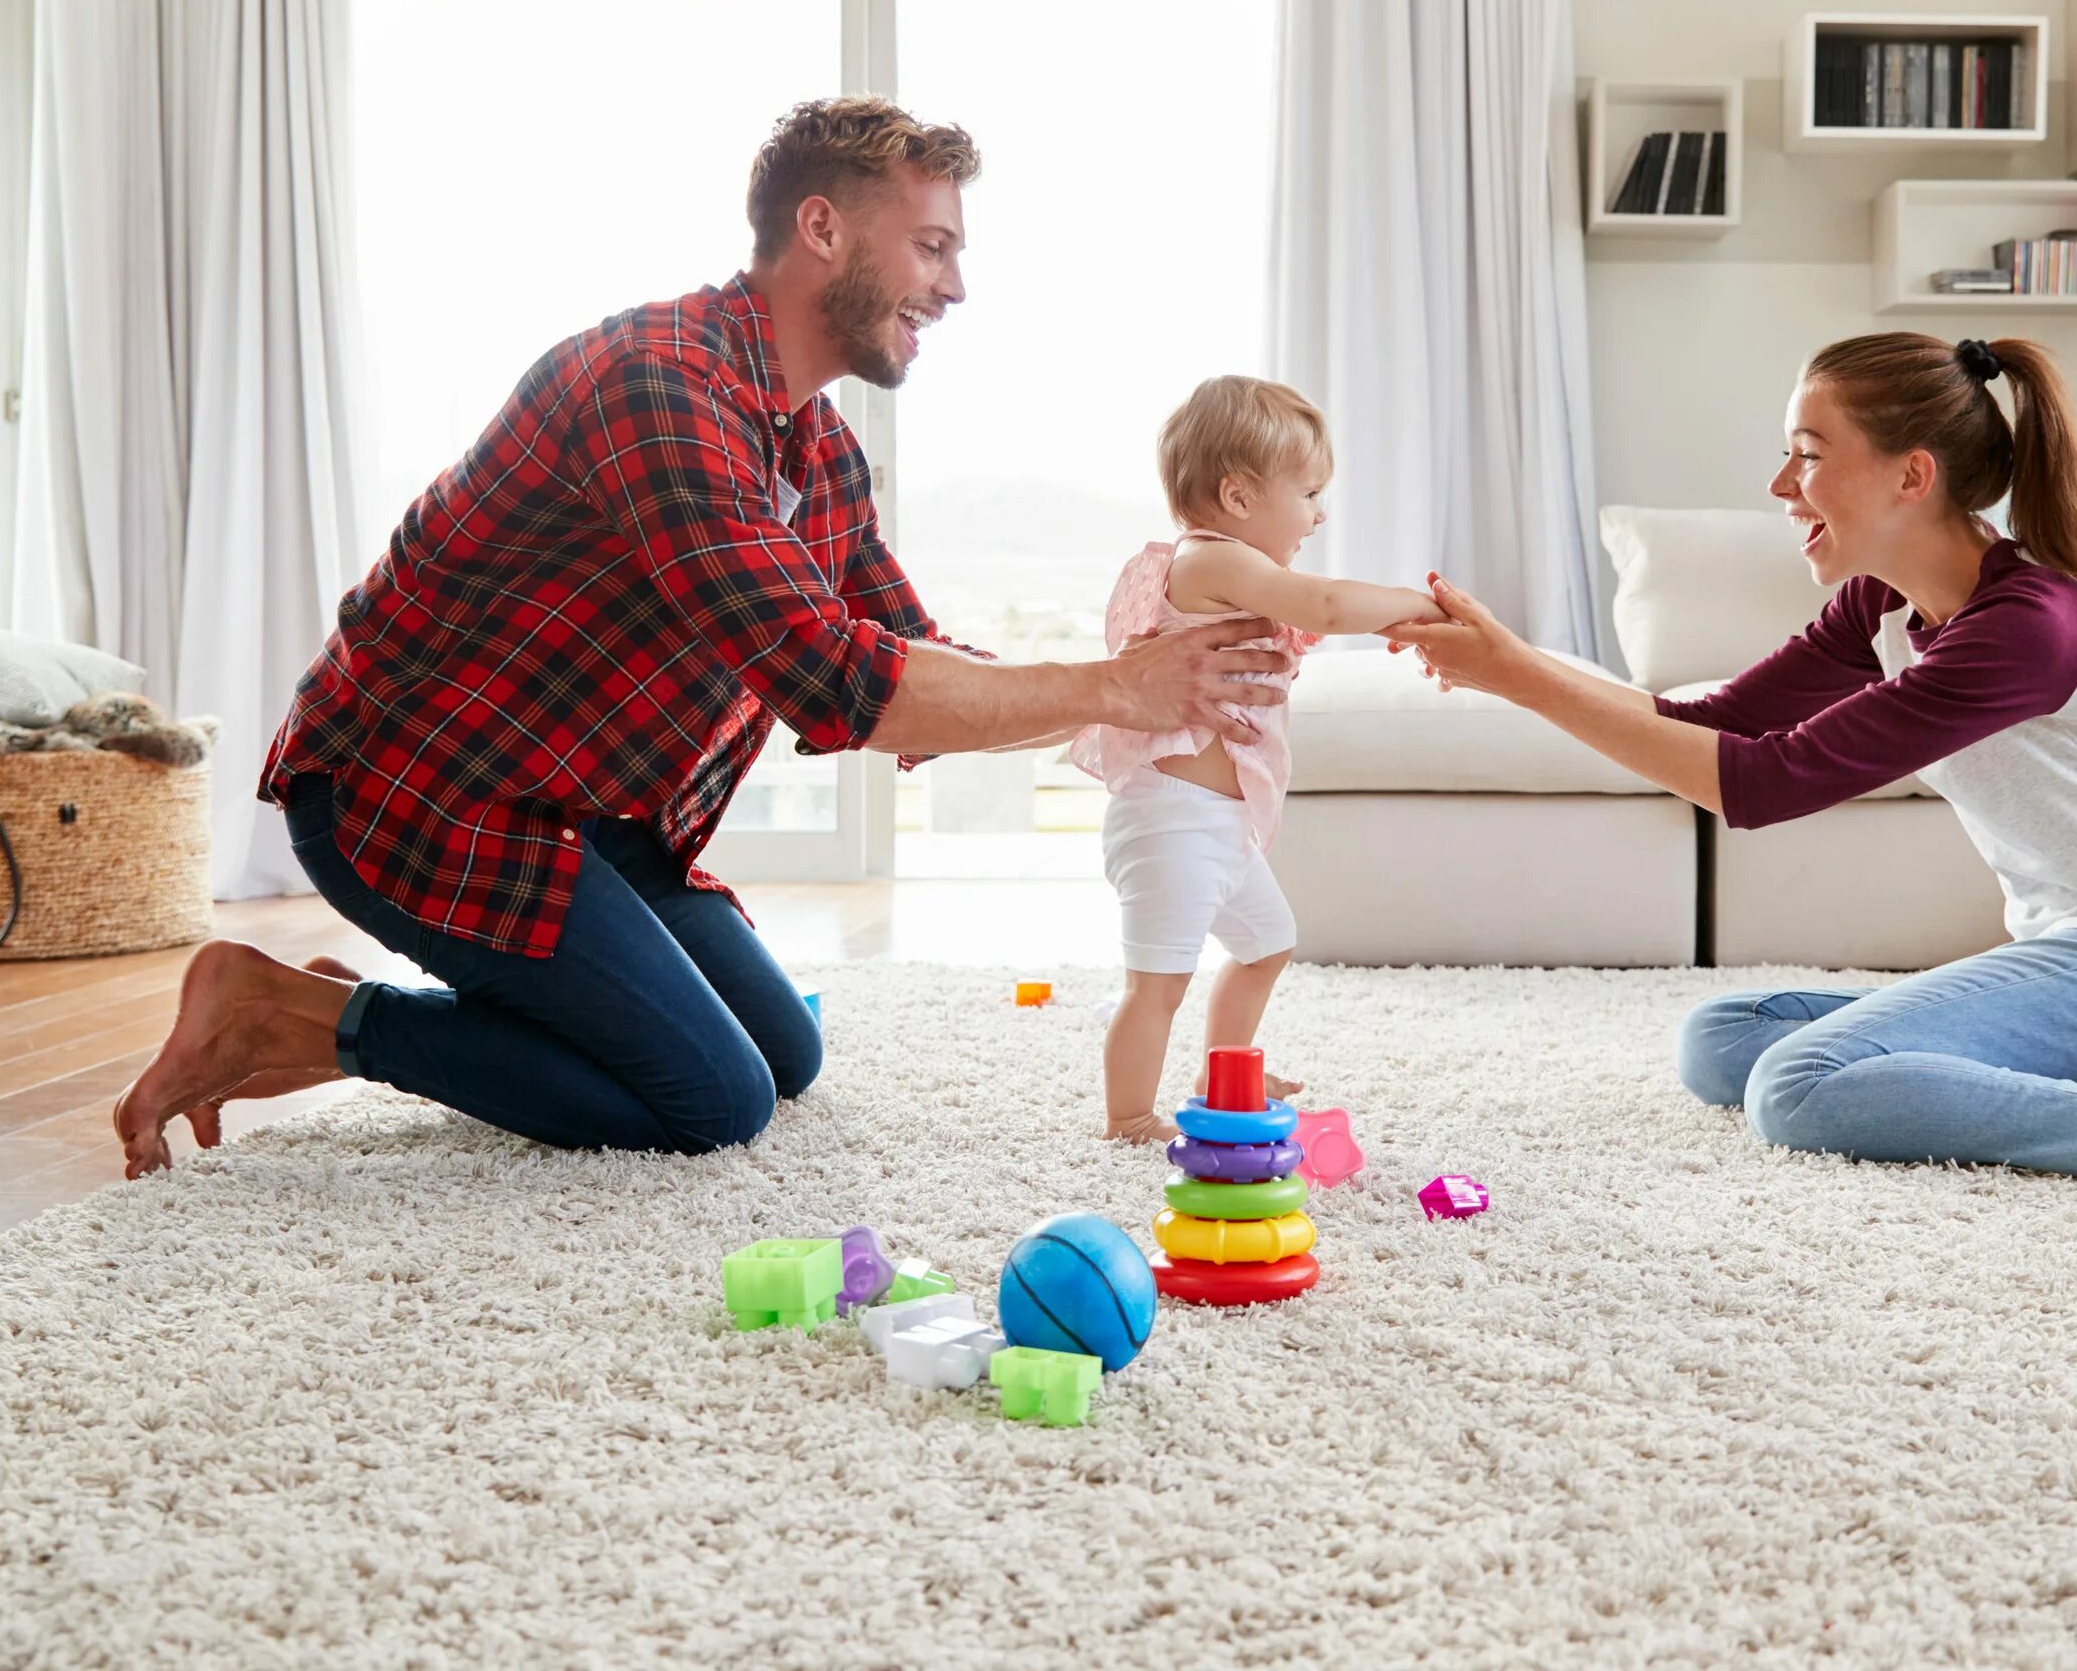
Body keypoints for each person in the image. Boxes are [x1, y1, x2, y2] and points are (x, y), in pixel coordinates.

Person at [111, 98, 1294, 1178]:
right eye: (933, 246)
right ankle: (312, 1018)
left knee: (785, 1056)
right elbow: (844, 687)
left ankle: (456, 1008)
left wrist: (1146, 684)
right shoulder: (658, 387)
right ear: (822, 228)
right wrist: (1116, 687)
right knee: (709, 1097)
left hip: (589, 814)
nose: (955, 287)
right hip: (418, 796)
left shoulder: (815, 448)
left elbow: (910, 654)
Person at [1385, 331, 2077, 1187]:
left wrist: (1514, 674)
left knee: (1798, 1087)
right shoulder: (1886, 603)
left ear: (1912, 474)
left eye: (1807, 452)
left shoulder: (2027, 623)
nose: (1779, 482)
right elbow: (1717, 723)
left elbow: (1761, 783)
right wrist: (1508, 661)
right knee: (1723, 1039)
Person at [1068, 377, 1441, 1144]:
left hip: (1219, 824)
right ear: (1238, 497)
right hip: (1170, 822)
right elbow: (1327, 606)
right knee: (1157, 986)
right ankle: (1128, 1116)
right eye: (1308, 493)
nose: (1319, 512)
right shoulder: (1209, 561)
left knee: (1267, 945)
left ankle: (1222, 1072)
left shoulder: (1228, 566)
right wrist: (1416, 603)